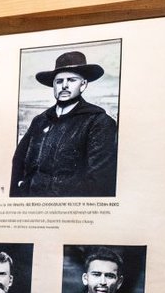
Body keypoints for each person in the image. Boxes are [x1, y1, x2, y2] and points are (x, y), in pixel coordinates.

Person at [10, 50, 119, 197]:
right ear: (54, 86)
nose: (65, 86)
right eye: (59, 81)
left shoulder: (98, 122)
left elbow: (99, 180)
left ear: (83, 84)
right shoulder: (40, 121)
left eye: (72, 80)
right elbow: (19, 161)